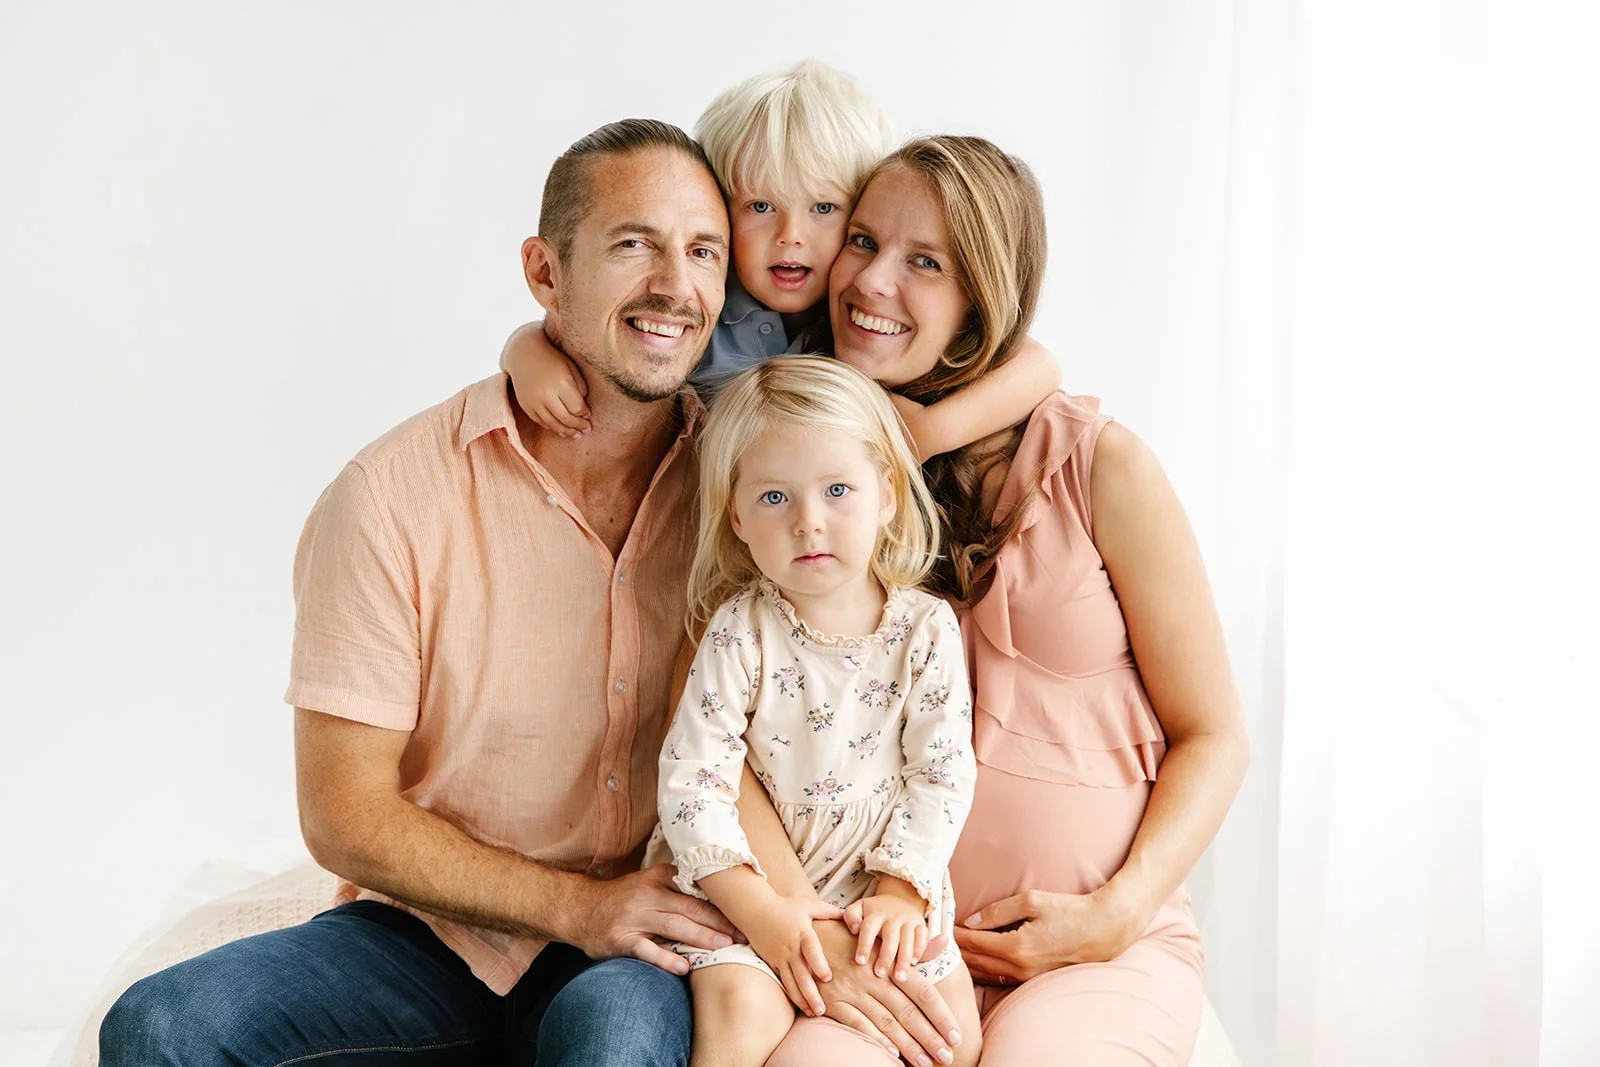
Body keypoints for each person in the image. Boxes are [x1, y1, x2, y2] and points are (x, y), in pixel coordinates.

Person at [97, 119, 744, 1066]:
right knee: (162, 1027)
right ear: (545, 272)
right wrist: (575, 905)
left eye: (703, 252)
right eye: (633, 243)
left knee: (611, 1036)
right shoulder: (392, 495)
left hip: (645, 942)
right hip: (435, 933)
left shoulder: (755, 487)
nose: (675, 286)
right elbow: (343, 811)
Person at [743, 136, 1252, 1065]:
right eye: (862, 241)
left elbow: (1214, 732)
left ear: (985, 295)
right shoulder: (797, 466)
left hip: (1090, 954)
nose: (871, 281)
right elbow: (720, 716)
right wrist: (805, 927)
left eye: (925, 262)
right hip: (885, 943)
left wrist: (1115, 912)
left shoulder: (1101, 466)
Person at [646, 356, 983, 1067]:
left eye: (837, 490)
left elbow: (942, 775)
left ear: (886, 494)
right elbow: (693, 783)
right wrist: (763, 912)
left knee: (956, 1031)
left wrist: (898, 891)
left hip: (877, 883)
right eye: (774, 497)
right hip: (754, 889)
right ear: (735, 515)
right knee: (741, 1012)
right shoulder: (739, 631)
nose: (809, 522)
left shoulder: (923, 630)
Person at [500, 59, 1062, 461]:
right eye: (761, 206)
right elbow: (586, 334)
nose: (791, 237)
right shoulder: (697, 307)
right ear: (720, 207)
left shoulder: (859, 325)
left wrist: (932, 432)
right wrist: (524, 351)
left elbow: (1038, 366)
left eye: (823, 208)